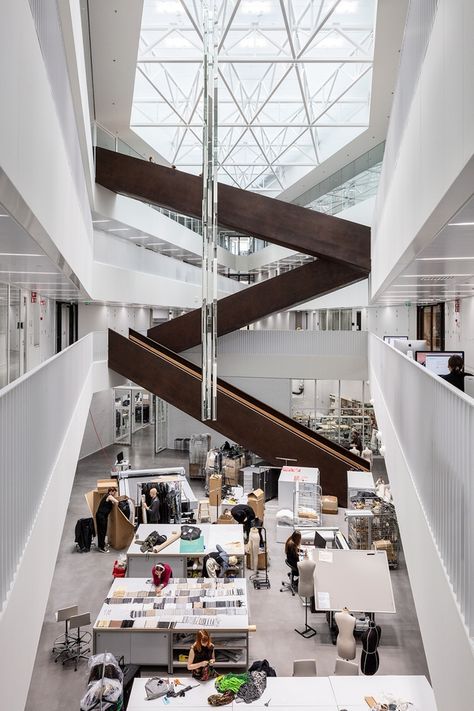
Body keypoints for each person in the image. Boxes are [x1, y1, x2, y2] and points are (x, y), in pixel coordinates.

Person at [95, 487, 119, 552]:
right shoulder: (109, 496)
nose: (114, 494)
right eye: (114, 492)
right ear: (111, 491)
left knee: (104, 531)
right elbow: (116, 501)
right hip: (101, 516)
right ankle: (101, 547)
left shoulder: (108, 497)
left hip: (103, 516)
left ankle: (102, 544)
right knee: (102, 532)